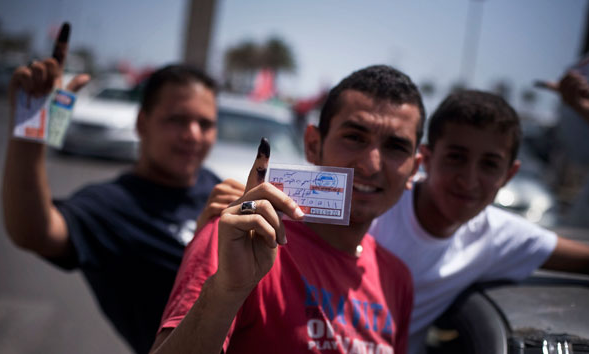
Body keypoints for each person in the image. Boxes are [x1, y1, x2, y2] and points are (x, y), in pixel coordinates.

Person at [150, 65, 427, 354]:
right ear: (312, 144)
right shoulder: (240, 240)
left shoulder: (396, 279)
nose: (371, 165)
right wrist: (226, 291)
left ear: (414, 169)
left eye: (396, 147)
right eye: (354, 137)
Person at [1, 24, 243, 353]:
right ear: (142, 123)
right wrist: (30, 130)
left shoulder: (214, 185)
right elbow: (33, 230)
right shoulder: (109, 206)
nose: (193, 135)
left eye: (206, 124)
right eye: (176, 120)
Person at [368, 89, 589, 354]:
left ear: (509, 174)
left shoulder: (498, 234)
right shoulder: (375, 207)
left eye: (489, 164)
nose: (469, 180)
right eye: (456, 158)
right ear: (425, 158)